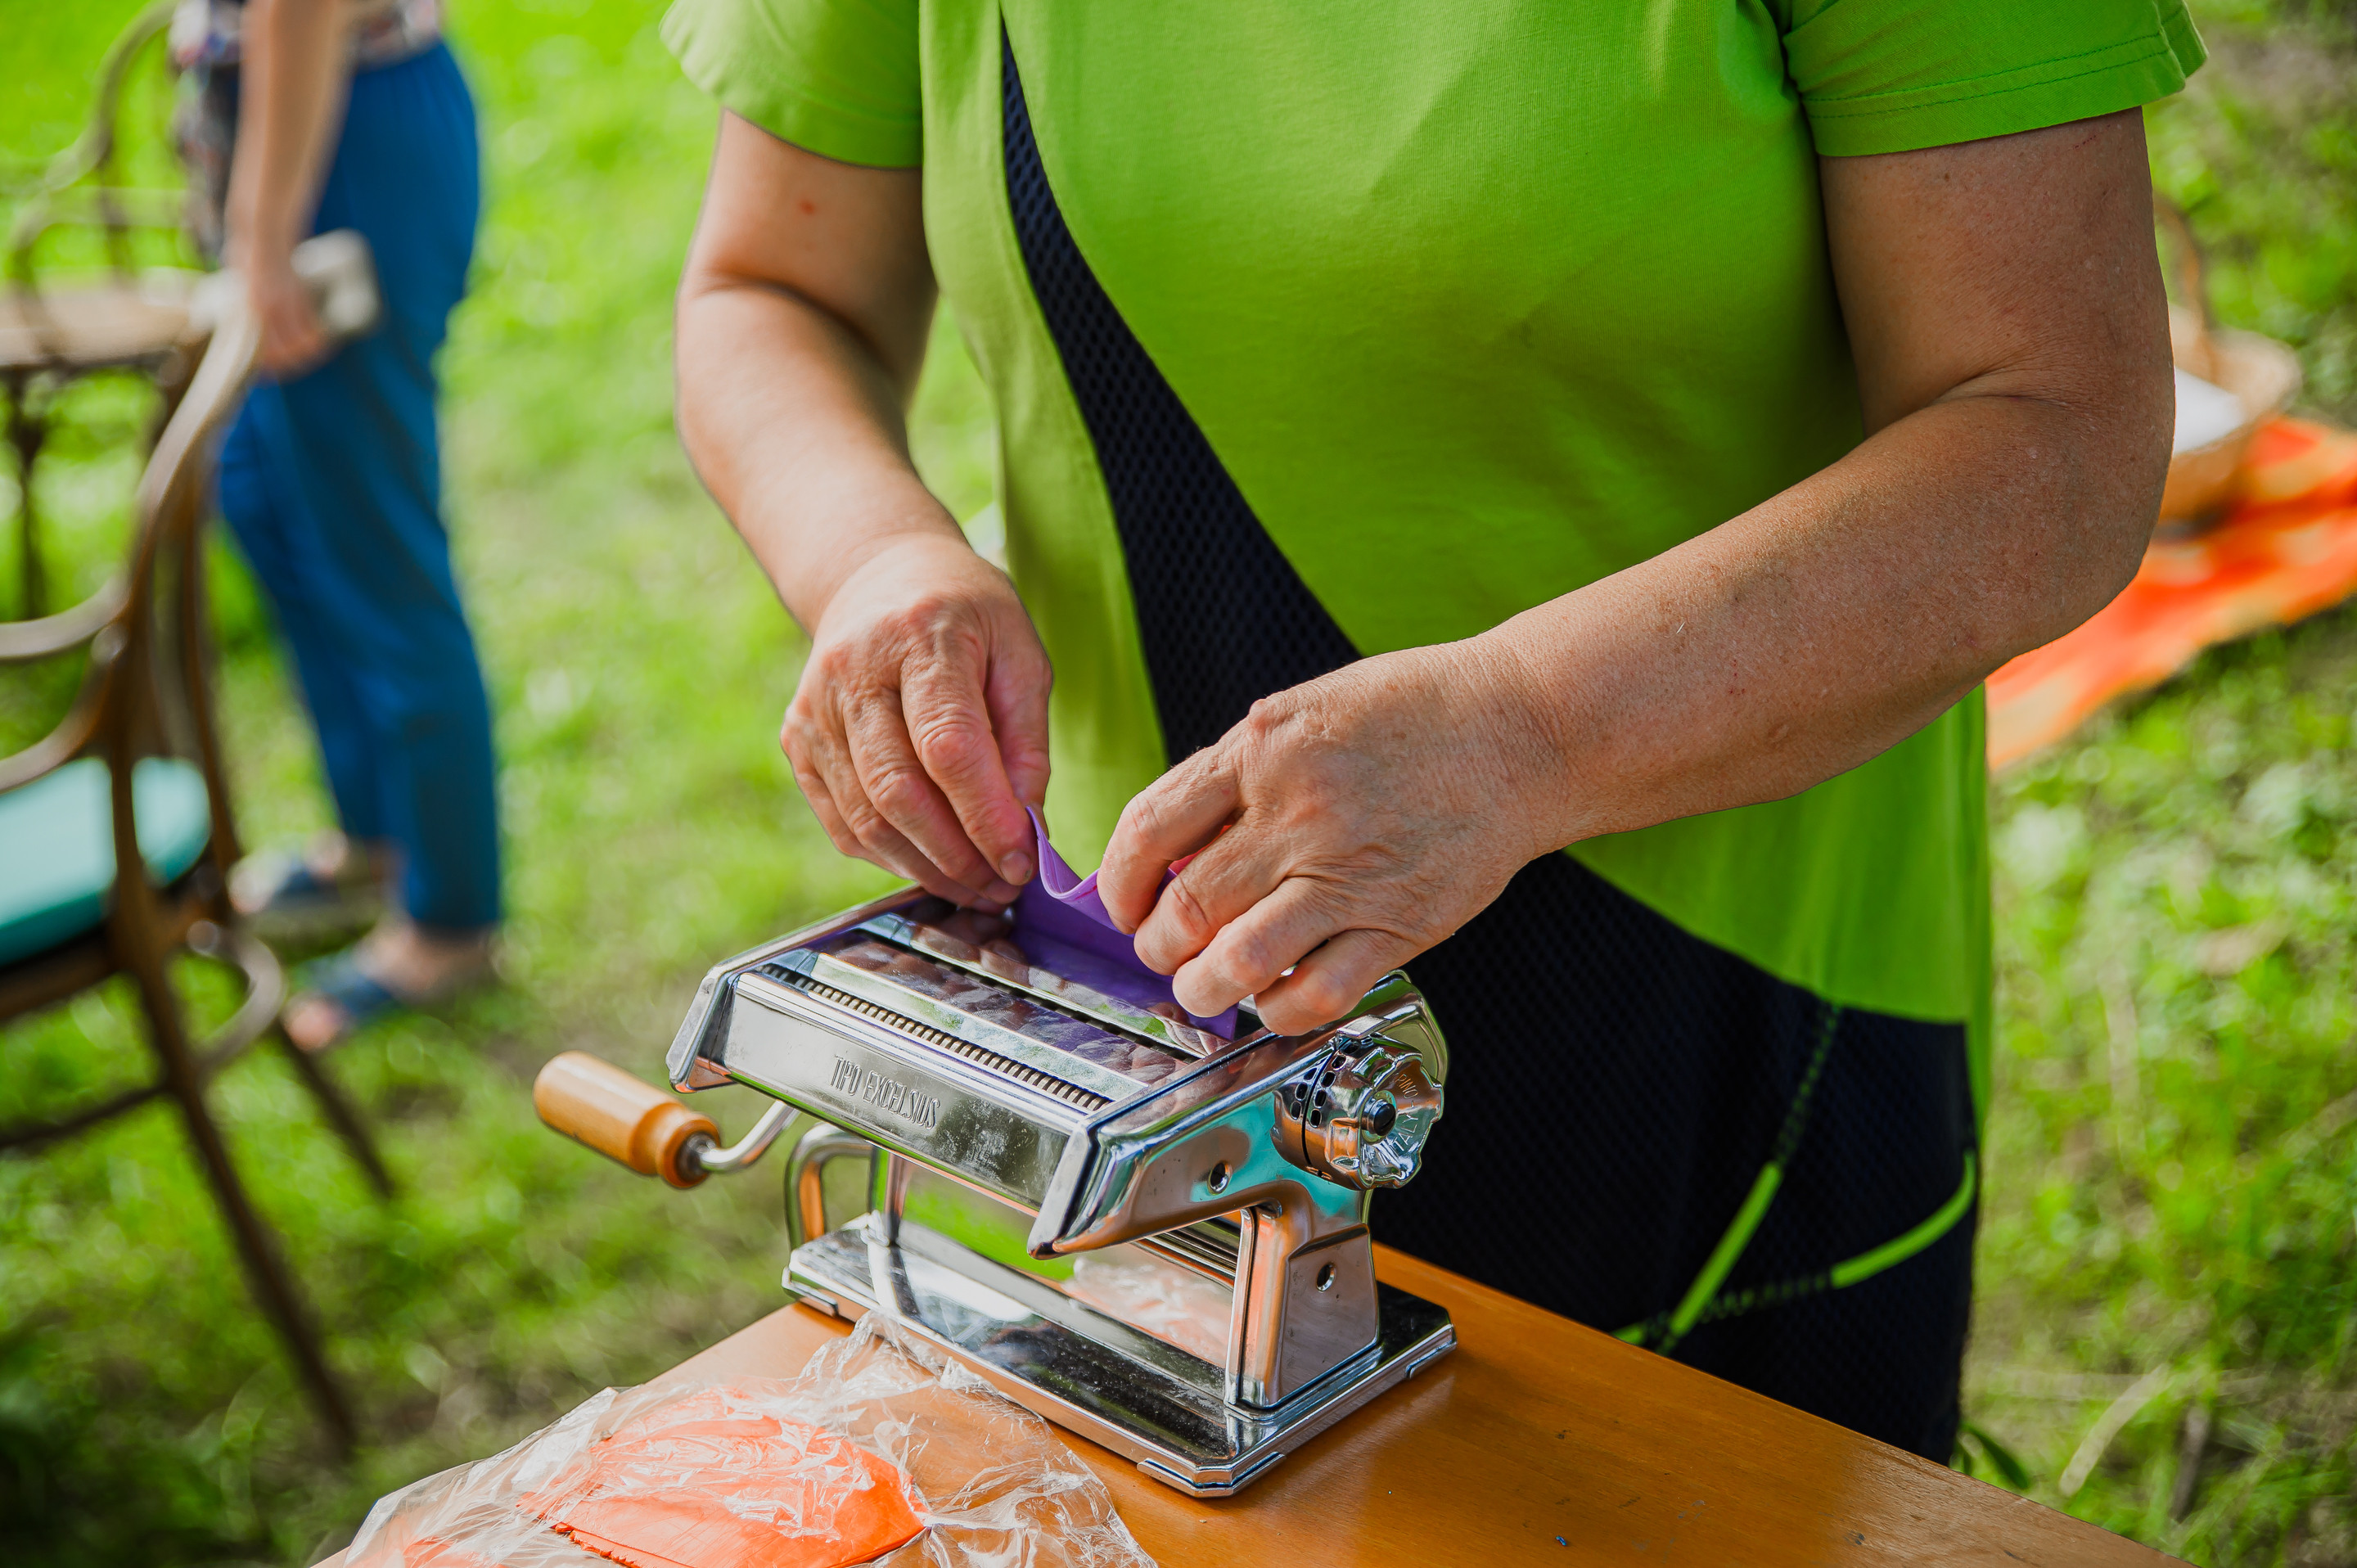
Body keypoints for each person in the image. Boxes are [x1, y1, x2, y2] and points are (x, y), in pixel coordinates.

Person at [660, 0, 2197, 1460]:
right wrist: (874, 559)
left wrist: (1527, 732)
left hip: (1719, 997)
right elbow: (772, 292)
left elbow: (2058, 427)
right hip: (1161, 1023)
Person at [175, 0, 498, 1049]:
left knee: (375, 544)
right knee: (270, 502)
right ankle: (372, 839)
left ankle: (453, 913)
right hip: (293, 124)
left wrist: (259, 237)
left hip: (338, 132)